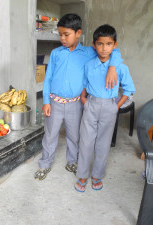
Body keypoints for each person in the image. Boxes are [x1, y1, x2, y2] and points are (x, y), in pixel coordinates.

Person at [34, 14, 123, 181]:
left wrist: (112, 67)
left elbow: (114, 51)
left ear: (78, 33)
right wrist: (46, 101)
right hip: (54, 102)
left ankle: (72, 162)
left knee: (74, 136)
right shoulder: (56, 53)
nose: (62, 38)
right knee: (50, 135)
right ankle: (45, 164)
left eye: (66, 34)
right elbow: (48, 78)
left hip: (76, 104)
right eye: (60, 34)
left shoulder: (90, 52)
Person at [74, 24, 135, 192]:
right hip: (91, 105)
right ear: (94, 45)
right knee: (86, 141)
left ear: (114, 45)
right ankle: (82, 175)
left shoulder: (120, 67)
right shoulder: (89, 65)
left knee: (103, 143)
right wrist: (83, 99)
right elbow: (85, 83)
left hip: (109, 106)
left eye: (109, 44)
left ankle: (97, 175)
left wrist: (116, 106)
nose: (104, 48)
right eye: (100, 44)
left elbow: (129, 89)